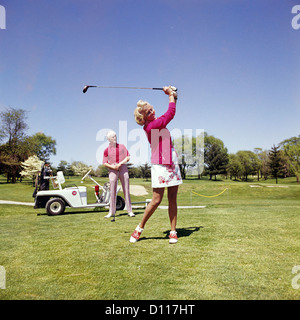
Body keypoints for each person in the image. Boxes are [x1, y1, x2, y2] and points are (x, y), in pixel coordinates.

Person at [130, 85, 182, 244]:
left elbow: (170, 112)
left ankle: (173, 231)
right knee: (156, 200)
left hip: (171, 162)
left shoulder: (158, 122)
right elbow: (170, 113)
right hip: (159, 165)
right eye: (148, 112)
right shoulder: (151, 126)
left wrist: (173, 96)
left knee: (172, 198)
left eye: (151, 109)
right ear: (144, 118)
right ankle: (139, 228)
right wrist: (170, 96)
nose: (152, 112)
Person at [102, 130, 135, 218]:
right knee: (112, 191)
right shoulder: (106, 150)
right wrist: (113, 167)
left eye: (115, 136)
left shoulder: (122, 146)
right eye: (113, 137)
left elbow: (128, 157)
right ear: (109, 139)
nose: (115, 138)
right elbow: (104, 163)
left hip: (123, 167)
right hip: (112, 170)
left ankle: (130, 211)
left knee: (126, 190)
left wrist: (120, 164)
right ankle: (111, 212)